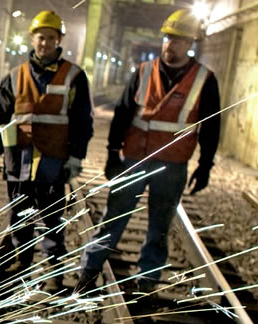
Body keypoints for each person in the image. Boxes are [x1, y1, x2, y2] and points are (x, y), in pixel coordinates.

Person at [75, 9, 219, 293]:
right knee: (113, 218)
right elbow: (123, 114)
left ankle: (147, 280)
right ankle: (89, 272)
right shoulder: (143, 73)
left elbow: (211, 126)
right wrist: (112, 152)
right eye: (167, 38)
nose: (170, 44)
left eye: (177, 40)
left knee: (159, 226)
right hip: (134, 159)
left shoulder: (204, 80)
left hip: (172, 165)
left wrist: (205, 165)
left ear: (190, 43)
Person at [0, 9, 93, 292]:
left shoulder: (74, 76)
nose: (44, 43)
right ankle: (23, 264)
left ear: (59, 40)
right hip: (18, 159)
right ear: (31, 39)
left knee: (52, 217)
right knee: (19, 214)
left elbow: (82, 121)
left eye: (50, 38)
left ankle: (54, 273)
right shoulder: (15, 76)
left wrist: (76, 157)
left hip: (52, 160)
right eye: (40, 38)